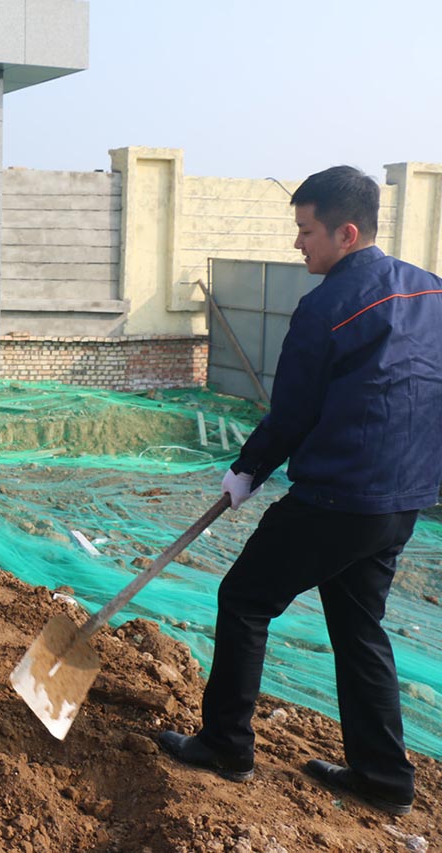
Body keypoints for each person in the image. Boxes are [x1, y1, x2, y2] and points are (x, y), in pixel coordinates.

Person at [157, 166, 442, 817]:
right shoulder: (432, 291)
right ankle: (385, 778)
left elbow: (292, 413)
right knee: (358, 625)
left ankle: (225, 744)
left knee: (245, 598)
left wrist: (247, 470)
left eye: (306, 231)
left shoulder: (326, 307)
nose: (297, 244)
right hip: (404, 500)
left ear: (346, 234)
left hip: (340, 497)